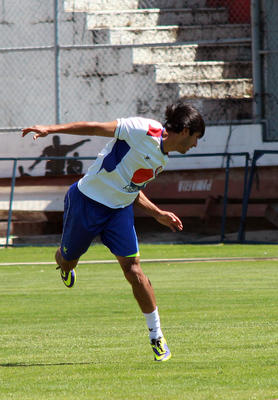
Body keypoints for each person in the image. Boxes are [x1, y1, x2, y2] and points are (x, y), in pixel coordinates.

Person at [21, 102, 206, 361]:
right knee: (67, 259)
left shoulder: (162, 159)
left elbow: (130, 188)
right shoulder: (142, 130)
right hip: (86, 202)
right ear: (186, 131)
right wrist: (50, 128)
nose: (196, 145)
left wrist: (157, 214)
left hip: (118, 211)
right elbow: (95, 128)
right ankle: (64, 262)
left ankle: (156, 336)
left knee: (134, 269)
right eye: (197, 138)